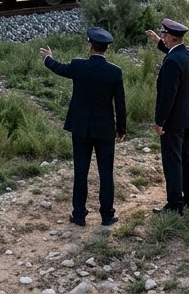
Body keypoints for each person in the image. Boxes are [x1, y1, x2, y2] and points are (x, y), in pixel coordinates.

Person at [40, 27, 128, 227]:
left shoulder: (78, 66)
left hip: (80, 129)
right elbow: (120, 104)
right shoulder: (115, 72)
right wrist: (121, 129)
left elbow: (59, 68)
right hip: (105, 130)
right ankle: (107, 215)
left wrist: (47, 58)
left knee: (81, 172)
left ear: (90, 46)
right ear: (106, 49)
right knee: (106, 173)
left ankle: (79, 215)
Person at [144, 18, 189, 213]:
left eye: (164, 35)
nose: (163, 37)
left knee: (173, 161)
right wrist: (158, 40)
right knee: (188, 158)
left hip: (173, 122)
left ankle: (175, 204)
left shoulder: (171, 63)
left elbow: (167, 96)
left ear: (170, 37)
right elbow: (174, 53)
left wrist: (160, 121)